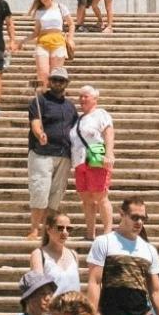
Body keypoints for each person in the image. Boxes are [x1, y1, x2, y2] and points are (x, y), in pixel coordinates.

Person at [27, 68, 79, 239]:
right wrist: (39, 133)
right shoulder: (39, 101)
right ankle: (35, 229)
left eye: (61, 80)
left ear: (66, 83)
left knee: (56, 195)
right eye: (55, 79)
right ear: (49, 81)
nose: (58, 83)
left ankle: (46, 231)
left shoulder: (70, 106)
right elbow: (35, 122)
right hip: (43, 153)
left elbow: (76, 129)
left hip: (64, 154)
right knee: (40, 190)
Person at [71, 85, 115, 239]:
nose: (82, 99)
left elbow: (108, 132)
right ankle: (90, 233)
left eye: (86, 96)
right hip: (79, 159)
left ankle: (108, 232)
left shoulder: (100, 114)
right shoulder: (79, 119)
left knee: (100, 195)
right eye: (80, 96)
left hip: (96, 151)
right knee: (86, 197)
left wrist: (109, 153)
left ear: (95, 99)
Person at [30, 214, 82, 294]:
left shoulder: (74, 255)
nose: (65, 232)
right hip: (52, 305)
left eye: (68, 229)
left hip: (74, 305)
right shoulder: (39, 255)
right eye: (60, 228)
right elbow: (38, 289)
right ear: (48, 229)